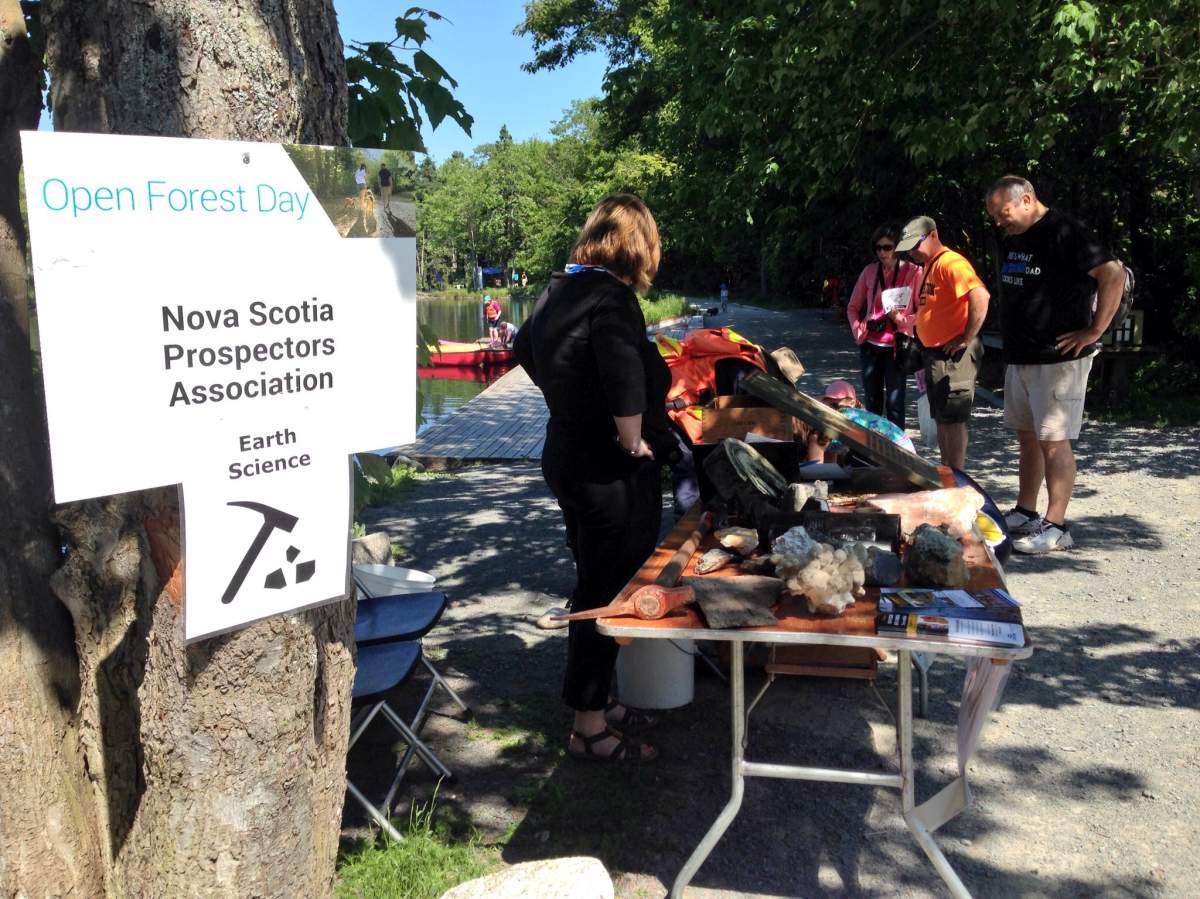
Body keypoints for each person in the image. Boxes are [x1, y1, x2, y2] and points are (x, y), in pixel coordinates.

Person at [514, 194, 675, 763]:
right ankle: (588, 724)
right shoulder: (612, 299)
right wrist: (632, 436)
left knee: (595, 578)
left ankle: (600, 698)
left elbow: (521, 345)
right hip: (610, 467)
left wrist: (569, 392)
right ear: (639, 246)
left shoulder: (561, 289)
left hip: (567, 454)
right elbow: (622, 367)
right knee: (605, 593)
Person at [986, 175, 1126, 553]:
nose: (1000, 222)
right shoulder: (1017, 235)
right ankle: (1027, 511)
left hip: (1057, 358)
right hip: (1022, 355)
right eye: (996, 217)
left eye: (1004, 213)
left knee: (1053, 442)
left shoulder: (1065, 230)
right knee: (1027, 437)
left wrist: (1095, 330)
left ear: (1027, 200)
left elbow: (1112, 273)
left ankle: (1057, 525)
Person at [895, 215, 990, 470]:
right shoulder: (930, 265)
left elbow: (980, 296)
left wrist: (966, 337)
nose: (912, 253)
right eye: (909, 249)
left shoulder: (951, 263)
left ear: (933, 235)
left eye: (916, 245)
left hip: (953, 354)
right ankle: (948, 472)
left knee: (953, 417)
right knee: (942, 416)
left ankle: (956, 477)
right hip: (935, 353)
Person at [846, 226, 922, 428]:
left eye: (887, 247)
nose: (882, 253)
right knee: (873, 403)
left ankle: (897, 452)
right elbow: (852, 307)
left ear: (898, 248)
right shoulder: (870, 271)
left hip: (897, 347)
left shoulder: (914, 272)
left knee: (895, 404)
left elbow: (923, 311)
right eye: (878, 248)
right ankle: (873, 451)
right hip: (870, 345)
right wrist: (857, 329)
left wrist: (901, 320)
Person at [801, 379, 917, 463]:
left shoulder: (843, 416)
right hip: (906, 450)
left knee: (815, 439)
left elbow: (818, 458)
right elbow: (831, 458)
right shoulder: (861, 415)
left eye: (834, 404)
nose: (831, 409)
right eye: (828, 403)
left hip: (900, 457)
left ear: (851, 402)